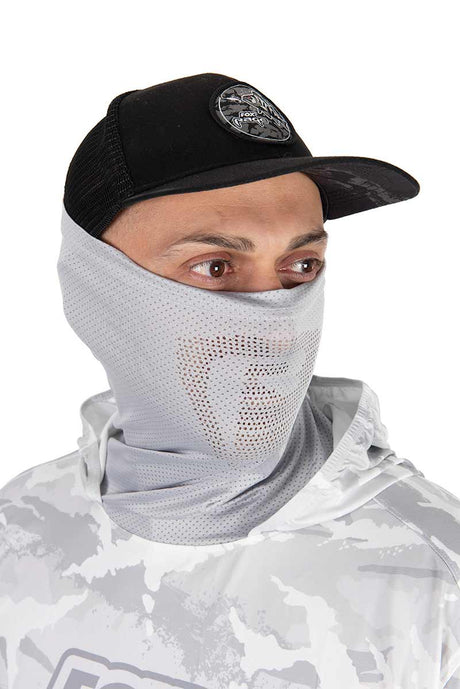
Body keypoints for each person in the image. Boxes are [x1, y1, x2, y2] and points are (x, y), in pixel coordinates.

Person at [1, 72, 459, 689]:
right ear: (95, 285)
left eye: (301, 264)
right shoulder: (22, 527)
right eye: (215, 267)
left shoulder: (434, 577)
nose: (275, 323)